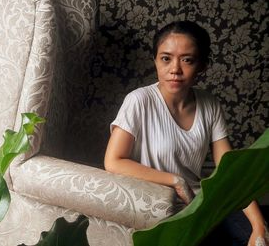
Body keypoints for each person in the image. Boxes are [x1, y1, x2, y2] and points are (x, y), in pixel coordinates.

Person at [103, 20, 268, 246]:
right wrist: (175, 181)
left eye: (187, 60)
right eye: (166, 58)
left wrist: (259, 225)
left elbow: (230, 171)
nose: (175, 70)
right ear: (155, 61)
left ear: (202, 66)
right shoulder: (139, 101)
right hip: (158, 202)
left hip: (200, 201)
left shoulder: (210, 104)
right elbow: (113, 161)